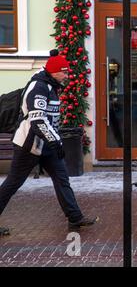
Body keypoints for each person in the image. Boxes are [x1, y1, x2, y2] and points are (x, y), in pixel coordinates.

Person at [0, 50, 98, 236]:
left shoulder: (52, 86)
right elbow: (38, 121)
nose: (68, 76)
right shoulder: (38, 87)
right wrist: (56, 142)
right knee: (12, 183)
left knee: (62, 180)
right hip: (28, 146)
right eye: (65, 72)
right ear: (54, 72)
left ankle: (75, 217)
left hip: (46, 146)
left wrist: (53, 143)